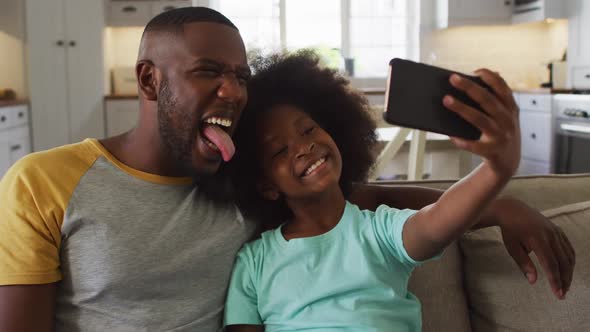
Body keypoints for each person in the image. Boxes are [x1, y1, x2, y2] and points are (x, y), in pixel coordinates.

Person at [0, 7, 574, 332]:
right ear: (150, 80)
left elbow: (359, 201)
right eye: (208, 72)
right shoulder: (41, 183)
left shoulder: (235, 188)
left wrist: (500, 197)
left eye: (240, 75)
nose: (232, 91)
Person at [221, 50, 529, 331]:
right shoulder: (253, 262)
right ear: (266, 186)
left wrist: (497, 169)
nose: (304, 147)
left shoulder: (378, 231)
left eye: (309, 129)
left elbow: (438, 222)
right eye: (279, 151)